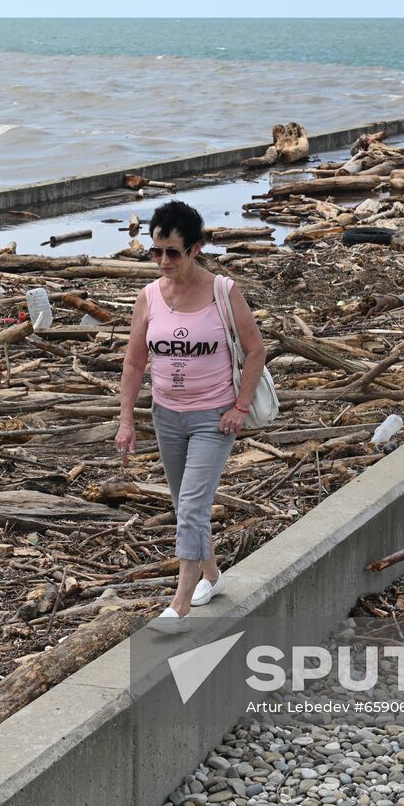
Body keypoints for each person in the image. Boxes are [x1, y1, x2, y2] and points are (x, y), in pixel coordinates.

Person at [115, 201, 267, 634]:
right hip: (166, 416)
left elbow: (255, 349)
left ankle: (179, 605)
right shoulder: (148, 297)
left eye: (173, 252)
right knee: (186, 505)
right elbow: (133, 362)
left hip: (213, 418)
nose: (163, 261)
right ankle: (213, 576)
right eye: (156, 251)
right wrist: (127, 420)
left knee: (192, 506)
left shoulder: (223, 291)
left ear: (195, 249)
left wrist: (240, 406)